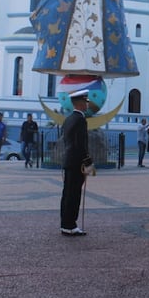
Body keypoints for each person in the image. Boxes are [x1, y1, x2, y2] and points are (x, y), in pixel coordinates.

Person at [60, 90, 91, 236]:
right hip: (77, 162)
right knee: (74, 194)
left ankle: (65, 222)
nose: (87, 104)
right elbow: (81, 144)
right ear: (80, 103)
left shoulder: (68, 119)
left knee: (67, 193)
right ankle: (70, 225)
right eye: (85, 102)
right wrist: (87, 163)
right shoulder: (80, 120)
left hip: (68, 160)